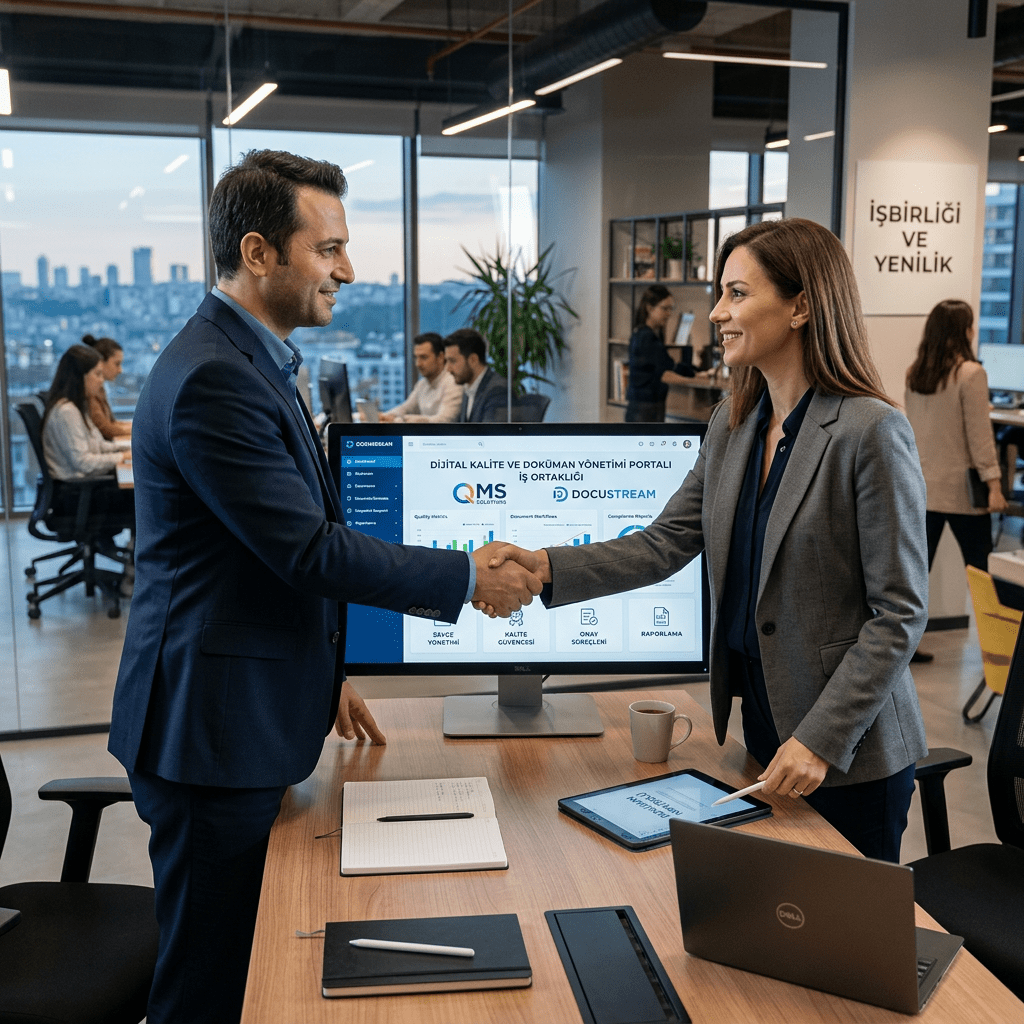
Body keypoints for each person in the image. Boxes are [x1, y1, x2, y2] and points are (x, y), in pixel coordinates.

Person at [107, 150, 542, 1024]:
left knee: (246, 956)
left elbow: (261, 552)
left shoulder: (246, 358)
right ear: (261, 253)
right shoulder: (214, 380)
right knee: (209, 980)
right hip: (210, 734)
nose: (348, 269)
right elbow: (307, 550)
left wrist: (327, 666)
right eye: (330, 248)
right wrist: (466, 576)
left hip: (240, 706)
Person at [481, 218, 929, 864]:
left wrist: (822, 739)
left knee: (835, 945)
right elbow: (664, 543)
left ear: (802, 305)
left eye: (737, 294)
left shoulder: (869, 432)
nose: (717, 313)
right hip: (764, 721)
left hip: (850, 748)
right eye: (720, 294)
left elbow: (899, 615)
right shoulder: (735, 423)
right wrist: (545, 566)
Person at [905, 300, 1008, 658]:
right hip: (963, 494)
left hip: (923, 489)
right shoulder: (971, 374)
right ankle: (1000, 648)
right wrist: (994, 484)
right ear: (962, 331)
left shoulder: (915, 373)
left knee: (915, 575)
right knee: (982, 572)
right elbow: (980, 438)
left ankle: (902, 646)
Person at [41, 344, 134, 564]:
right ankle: (133, 572)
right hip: (76, 498)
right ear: (79, 377)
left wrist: (126, 450)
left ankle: (134, 567)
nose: (101, 381)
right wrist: (120, 458)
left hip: (79, 492)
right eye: (97, 374)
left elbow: (96, 445)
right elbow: (83, 462)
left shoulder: (75, 407)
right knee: (143, 499)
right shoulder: (67, 412)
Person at [624, 283, 695, 422]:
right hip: (644, 408)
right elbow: (664, 369)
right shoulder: (646, 336)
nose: (669, 313)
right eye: (665, 308)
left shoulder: (645, 334)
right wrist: (693, 377)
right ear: (650, 308)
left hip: (645, 406)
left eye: (671, 309)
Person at [380, 331, 462, 422]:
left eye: (423, 357)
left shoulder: (453, 382)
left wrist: (399, 420)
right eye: (416, 357)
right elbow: (405, 408)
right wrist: (384, 416)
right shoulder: (422, 384)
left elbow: (443, 420)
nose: (418, 364)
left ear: (441, 357)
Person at [445, 327, 508, 422]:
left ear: (473, 360)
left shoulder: (497, 391)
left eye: (452, 361)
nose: (448, 369)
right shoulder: (469, 388)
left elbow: (489, 435)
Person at [82, 333, 132, 438]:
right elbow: (104, 428)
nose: (120, 370)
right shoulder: (90, 391)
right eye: (117, 364)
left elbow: (111, 423)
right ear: (101, 362)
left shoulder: (100, 389)